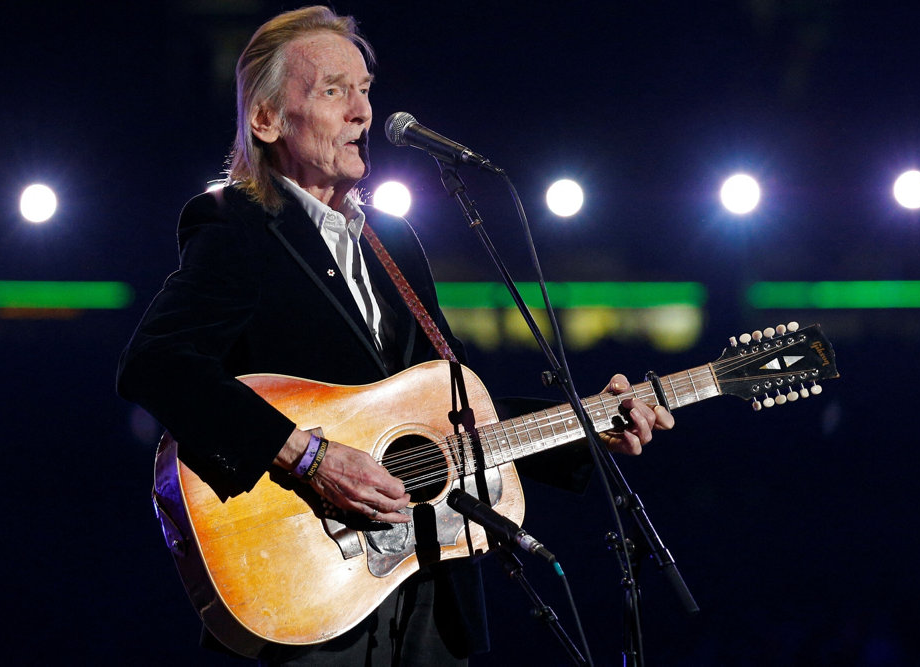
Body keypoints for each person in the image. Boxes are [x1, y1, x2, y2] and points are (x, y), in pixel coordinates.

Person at [117, 5, 674, 665]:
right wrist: (311, 458)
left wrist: (590, 424)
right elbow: (157, 363)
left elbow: (451, 423)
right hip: (315, 601)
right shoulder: (237, 227)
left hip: (433, 601)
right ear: (265, 119)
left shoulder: (396, 244)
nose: (362, 110)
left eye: (365, 88)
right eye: (332, 89)